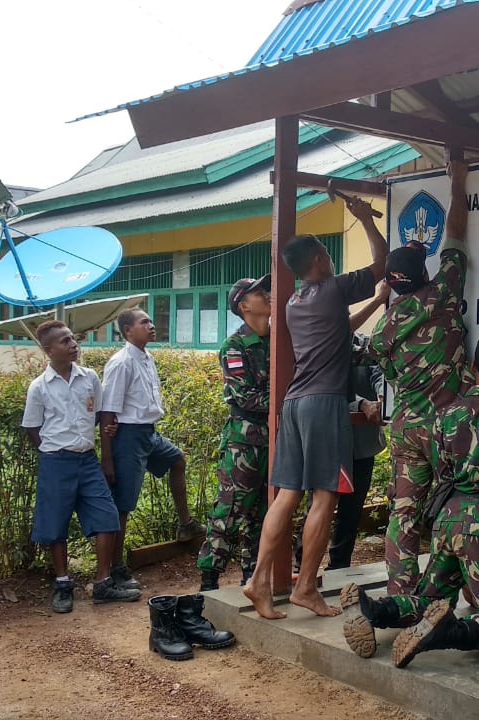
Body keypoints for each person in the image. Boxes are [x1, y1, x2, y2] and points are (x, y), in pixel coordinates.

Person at [339, 330, 479, 669]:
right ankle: (446, 631)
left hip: (447, 521)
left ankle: (372, 609)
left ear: (473, 367)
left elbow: (443, 471)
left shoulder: (448, 415)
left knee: (428, 599)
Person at [243, 198, 389, 621]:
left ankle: (258, 581)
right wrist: (365, 220)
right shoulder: (334, 288)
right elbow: (382, 263)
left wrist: (373, 303)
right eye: (327, 253)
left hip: (294, 403)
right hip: (325, 405)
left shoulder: (294, 303)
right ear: (321, 259)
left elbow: (340, 331)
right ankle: (306, 586)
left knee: (287, 494)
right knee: (325, 496)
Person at [369, 159, 474, 594]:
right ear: (423, 272)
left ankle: (400, 594)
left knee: (404, 512)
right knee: (459, 507)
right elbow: (455, 235)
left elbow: (385, 367)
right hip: (447, 427)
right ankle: (453, 592)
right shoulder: (443, 293)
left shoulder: (383, 329)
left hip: (407, 427)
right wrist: (458, 181)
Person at [21, 320, 140, 613]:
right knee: (55, 523)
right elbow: (33, 428)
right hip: (55, 461)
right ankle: (63, 583)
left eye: (73, 338)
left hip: (87, 460)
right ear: (49, 350)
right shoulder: (39, 387)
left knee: (107, 515)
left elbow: (99, 415)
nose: (73, 344)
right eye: (65, 341)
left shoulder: (89, 378)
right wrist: (53, 451)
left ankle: (103, 582)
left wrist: (106, 434)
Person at [99, 308, 203, 591]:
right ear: (128, 330)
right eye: (144, 322)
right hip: (128, 437)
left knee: (177, 460)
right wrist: (107, 458)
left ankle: (186, 524)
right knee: (124, 504)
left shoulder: (146, 358)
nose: (151, 325)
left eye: (151, 321)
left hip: (148, 433)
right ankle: (116, 567)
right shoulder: (121, 363)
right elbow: (107, 411)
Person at [197, 276, 273, 592]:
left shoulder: (280, 339)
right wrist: (288, 399)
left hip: (277, 439)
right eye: (259, 293)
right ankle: (209, 581)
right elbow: (245, 397)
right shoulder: (235, 346)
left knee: (265, 512)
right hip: (245, 442)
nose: (267, 295)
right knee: (230, 509)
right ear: (244, 306)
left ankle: (252, 577)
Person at [328, 331, 387, 570]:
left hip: (362, 444)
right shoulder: (319, 340)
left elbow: (380, 372)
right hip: (328, 444)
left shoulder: (365, 344)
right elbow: (325, 386)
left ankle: (339, 566)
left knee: (351, 512)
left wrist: (384, 396)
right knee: (320, 507)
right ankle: (304, 566)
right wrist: (360, 403)